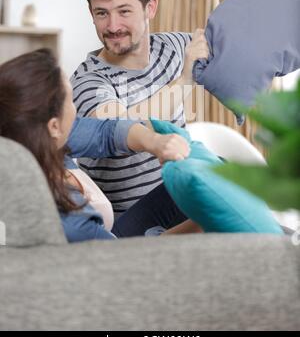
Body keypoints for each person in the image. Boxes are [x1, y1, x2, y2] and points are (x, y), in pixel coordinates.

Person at [70, 0, 233, 217]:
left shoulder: (172, 47)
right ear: (92, 14)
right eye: (102, 13)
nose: (113, 26)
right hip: (131, 220)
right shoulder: (89, 80)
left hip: (179, 199)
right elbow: (119, 129)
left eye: (124, 11)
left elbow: (223, 41)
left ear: (150, 8)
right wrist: (184, 81)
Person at [0, 48, 203, 242]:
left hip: (105, 240)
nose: (76, 109)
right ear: (54, 126)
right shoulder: (66, 221)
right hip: (111, 257)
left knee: (197, 179)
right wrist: (201, 224)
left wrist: (155, 141)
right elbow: (122, 259)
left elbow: (104, 132)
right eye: (71, 101)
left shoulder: (29, 135)